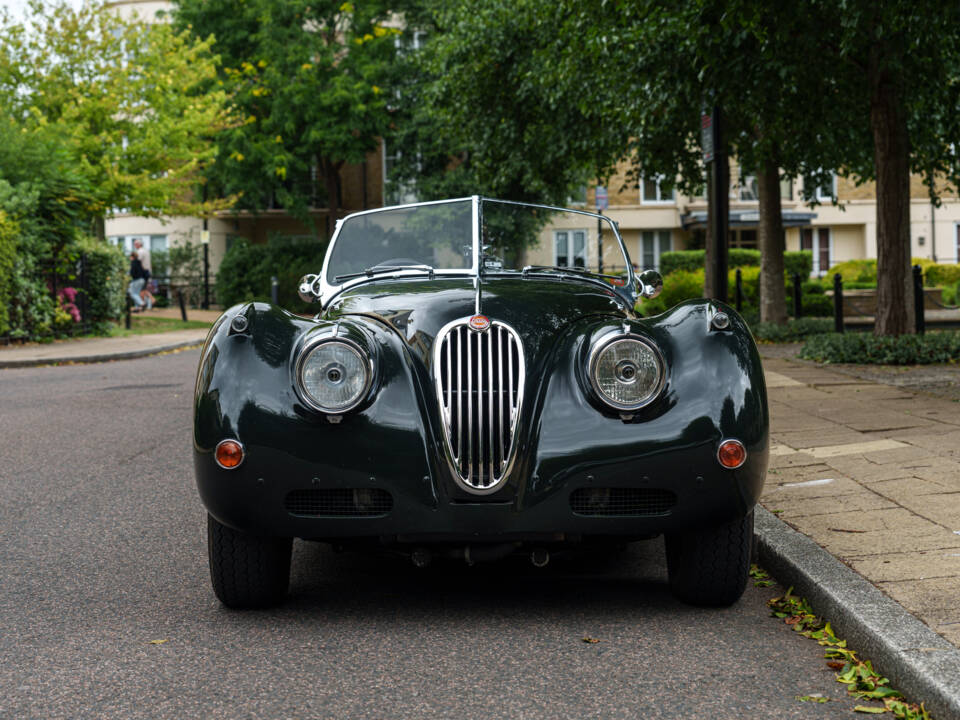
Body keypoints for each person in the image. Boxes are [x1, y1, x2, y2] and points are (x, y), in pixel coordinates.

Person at [133, 239, 155, 310]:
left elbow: (138, 263)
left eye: (135, 244)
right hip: (147, 272)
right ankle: (151, 300)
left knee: (141, 290)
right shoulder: (146, 251)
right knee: (143, 289)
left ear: (139, 244)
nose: (134, 245)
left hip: (142, 273)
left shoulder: (140, 252)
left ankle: (141, 306)